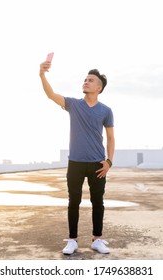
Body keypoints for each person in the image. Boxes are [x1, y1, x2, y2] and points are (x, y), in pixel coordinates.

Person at [39, 60, 115, 255]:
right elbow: (50, 95)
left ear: (99, 88)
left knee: (98, 202)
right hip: (75, 163)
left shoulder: (106, 111)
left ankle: (97, 239)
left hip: (98, 164)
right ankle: (72, 240)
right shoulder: (73, 104)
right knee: (74, 201)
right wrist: (42, 74)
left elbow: (111, 137)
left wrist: (109, 162)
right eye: (85, 79)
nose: (86, 82)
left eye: (90, 80)